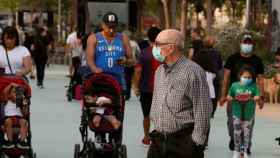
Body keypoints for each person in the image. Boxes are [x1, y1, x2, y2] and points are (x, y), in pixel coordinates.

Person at [147, 29, 212, 158]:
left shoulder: (193, 72)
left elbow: (203, 110)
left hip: (183, 142)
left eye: (157, 44)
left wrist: (195, 144)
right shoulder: (160, 71)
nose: (154, 48)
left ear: (171, 47)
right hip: (158, 141)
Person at [219, 34, 265, 154]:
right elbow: (226, 78)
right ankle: (234, 140)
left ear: (252, 45)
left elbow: (260, 80)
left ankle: (246, 145)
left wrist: (261, 97)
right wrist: (223, 96)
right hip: (234, 97)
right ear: (241, 43)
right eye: (245, 42)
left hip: (250, 97)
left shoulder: (257, 60)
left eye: (249, 43)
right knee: (232, 122)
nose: (247, 45)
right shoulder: (232, 58)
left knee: (248, 123)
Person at [0, 26, 32, 149]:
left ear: (16, 39)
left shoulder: (23, 50)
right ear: (3, 38)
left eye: (11, 38)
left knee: (20, 94)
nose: (9, 41)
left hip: (18, 80)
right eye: (7, 38)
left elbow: (28, 67)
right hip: (2, 81)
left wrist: (22, 71)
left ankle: (21, 109)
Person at [86, 11, 133, 91]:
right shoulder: (94, 38)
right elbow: (89, 60)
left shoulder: (123, 38)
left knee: (117, 102)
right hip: (100, 77)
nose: (111, 30)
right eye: (109, 27)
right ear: (103, 25)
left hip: (117, 78)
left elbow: (132, 60)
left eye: (114, 27)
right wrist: (94, 68)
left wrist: (126, 61)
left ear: (117, 26)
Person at [134, 26, 161, 145]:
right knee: (161, 114)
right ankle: (160, 136)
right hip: (162, 89)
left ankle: (146, 137)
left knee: (146, 115)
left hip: (146, 89)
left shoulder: (144, 54)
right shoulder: (164, 53)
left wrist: (136, 86)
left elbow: (138, 71)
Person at [226, 65, 261, 158]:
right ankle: (236, 151)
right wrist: (229, 98)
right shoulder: (234, 85)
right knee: (237, 133)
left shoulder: (253, 86)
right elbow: (229, 96)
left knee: (246, 134)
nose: (247, 78)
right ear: (240, 76)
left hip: (249, 115)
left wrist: (256, 97)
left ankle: (245, 151)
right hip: (236, 113)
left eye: (249, 77)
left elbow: (258, 95)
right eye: (245, 77)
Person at [192, 36, 223, 117]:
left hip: (201, 76)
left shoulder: (199, 53)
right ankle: (211, 112)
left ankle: (200, 110)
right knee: (214, 94)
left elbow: (194, 65)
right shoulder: (217, 53)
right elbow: (219, 66)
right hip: (213, 76)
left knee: (200, 94)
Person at [122, 30, 141, 100]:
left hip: (126, 63)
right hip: (135, 63)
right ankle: (138, 92)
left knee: (127, 79)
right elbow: (139, 53)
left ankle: (127, 95)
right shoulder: (134, 43)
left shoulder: (123, 44)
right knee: (137, 79)